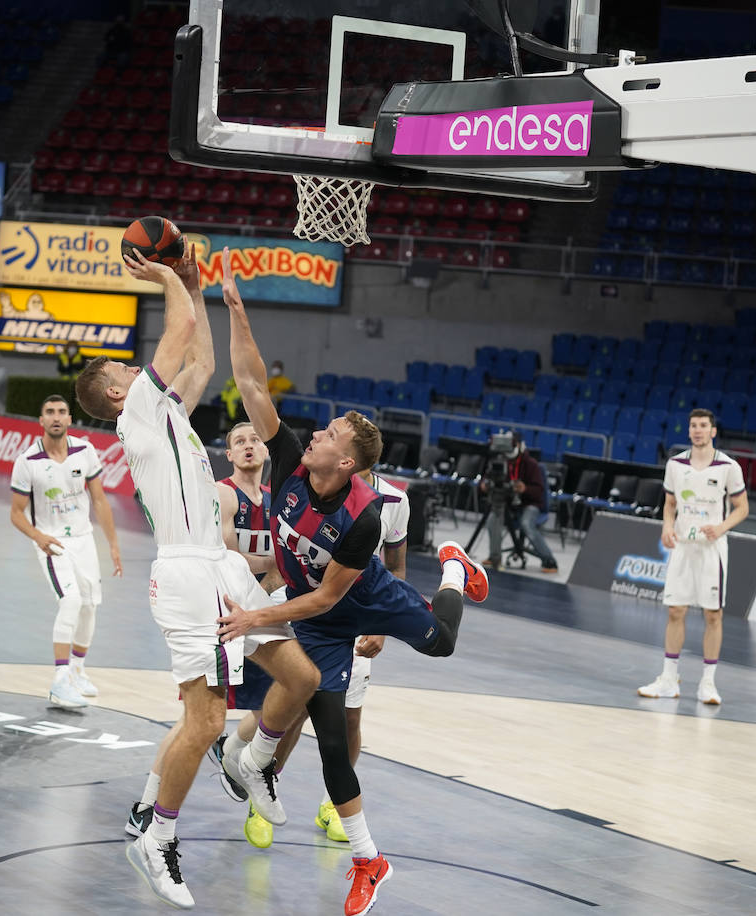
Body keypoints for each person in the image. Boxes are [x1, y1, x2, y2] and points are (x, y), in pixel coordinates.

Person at [215, 248, 487, 916]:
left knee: (443, 643)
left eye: (328, 433)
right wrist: (238, 314)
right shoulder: (287, 462)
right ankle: (369, 860)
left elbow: (333, 597)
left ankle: (454, 563)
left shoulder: (365, 517)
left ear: (347, 460)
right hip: (313, 620)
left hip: (356, 602)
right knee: (330, 736)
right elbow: (251, 382)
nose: (313, 433)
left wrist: (257, 617)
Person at [74, 244, 319, 910]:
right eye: (131, 368)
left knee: (301, 678)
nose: (142, 368)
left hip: (222, 566)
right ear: (119, 390)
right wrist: (168, 278)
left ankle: (254, 761)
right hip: (190, 572)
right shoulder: (135, 413)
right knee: (204, 719)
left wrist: (197, 286)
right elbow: (177, 335)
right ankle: (158, 836)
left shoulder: (168, 414)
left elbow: (203, 358)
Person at [220, 443, 411, 848]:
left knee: (349, 719)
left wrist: (380, 626)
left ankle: (332, 806)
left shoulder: (395, 500)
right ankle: (259, 785)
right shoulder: (309, 485)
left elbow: (396, 566)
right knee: (293, 706)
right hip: (303, 608)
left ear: (353, 459)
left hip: (352, 619)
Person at [124, 419, 279, 845]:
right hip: (221, 616)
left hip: (260, 614)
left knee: (283, 703)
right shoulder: (222, 494)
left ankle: (237, 764)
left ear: (266, 450)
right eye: (239, 442)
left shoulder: (276, 500)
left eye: (254, 440)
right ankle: (147, 805)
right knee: (196, 720)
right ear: (227, 455)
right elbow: (230, 560)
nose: (249, 446)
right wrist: (283, 566)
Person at [9, 394, 122, 709]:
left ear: (70, 419)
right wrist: (38, 536)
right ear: (41, 420)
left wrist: (112, 544)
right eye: (50, 412)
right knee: (70, 601)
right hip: (52, 542)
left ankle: (77, 670)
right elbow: (16, 513)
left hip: (84, 540)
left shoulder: (85, 451)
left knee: (90, 606)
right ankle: (59, 681)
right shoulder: (27, 461)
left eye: (62, 412)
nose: (56, 417)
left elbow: (99, 500)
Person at [637, 408, 749, 706]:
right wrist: (667, 526)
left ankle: (708, 684)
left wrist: (721, 527)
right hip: (683, 547)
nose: (697, 430)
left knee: (713, 614)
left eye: (703, 426)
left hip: (712, 549)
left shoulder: (728, 467)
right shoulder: (675, 464)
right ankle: (668, 680)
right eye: (693, 426)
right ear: (688, 431)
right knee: (675, 611)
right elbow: (670, 503)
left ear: (713, 431)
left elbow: (742, 508)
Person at [483, 433, 557, 573]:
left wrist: (525, 488)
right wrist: (484, 485)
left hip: (530, 504)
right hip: (508, 503)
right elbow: (488, 479)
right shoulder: (499, 461)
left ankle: (549, 561)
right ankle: (494, 557)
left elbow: (539, 491)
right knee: (493, 519)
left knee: (526, 523)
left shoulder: (531, 464)